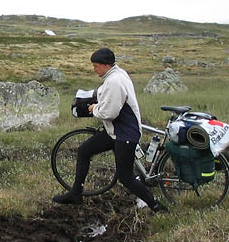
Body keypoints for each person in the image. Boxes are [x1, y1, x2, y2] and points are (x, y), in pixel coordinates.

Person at [53, 47, 167, 213]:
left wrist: (94, 109)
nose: (94, 69)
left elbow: (110, 112)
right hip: (114, 131)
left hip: (125, 133)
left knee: (125, 177)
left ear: (105, 65)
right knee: (84, 150)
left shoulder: (115, 81)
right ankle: (76, 193)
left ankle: (157, 207)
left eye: (96, 66)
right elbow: (105, 96)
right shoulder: (116, 74)